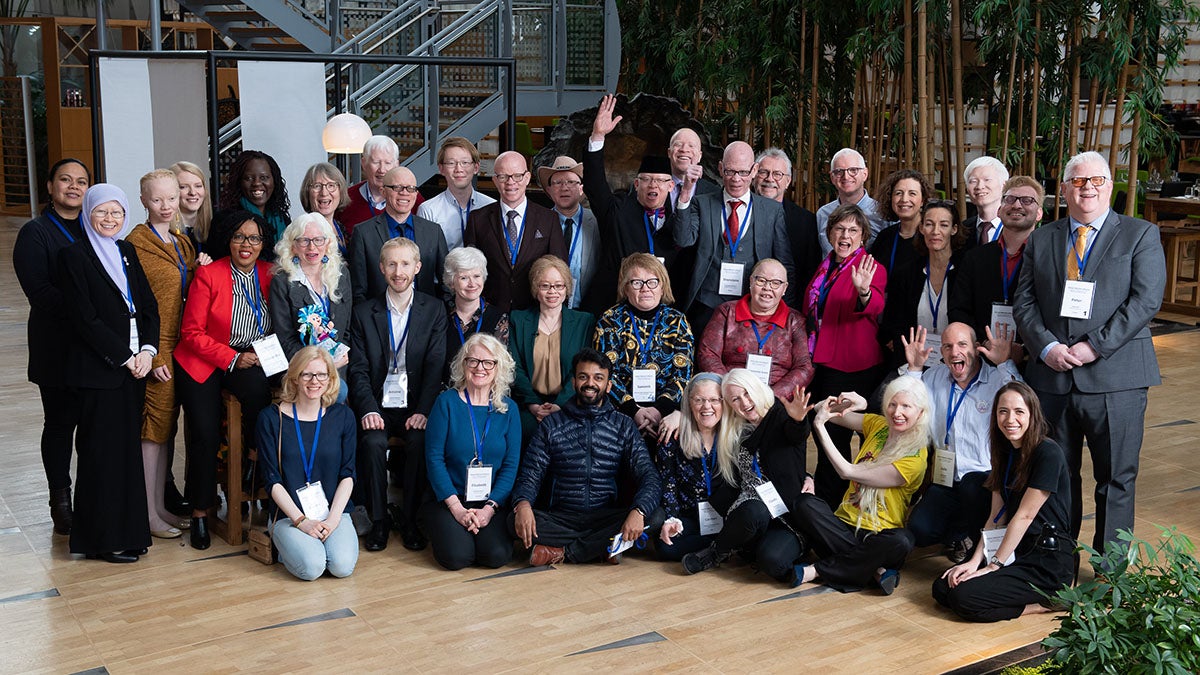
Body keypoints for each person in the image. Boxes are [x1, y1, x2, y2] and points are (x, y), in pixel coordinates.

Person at [1012, 150, 1166, 554]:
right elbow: (1024, 302)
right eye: (1078, 181)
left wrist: (1093, 346)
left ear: (1109, 187)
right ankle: (1058, 560)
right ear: (1064, 189)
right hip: (1052, 378)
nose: (1087, 189)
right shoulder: (1042, 238)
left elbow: (1145, 301)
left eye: (1096, 180)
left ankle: (1110, 572)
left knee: (1115, 478)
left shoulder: (1140, 234)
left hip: (1116, 378)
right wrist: (1046, 347)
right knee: (1055, 477)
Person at [59, 184, 159, 563]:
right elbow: (84, 319)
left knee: (126, 456)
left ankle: (130, 535)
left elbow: (147, 306)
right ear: (88, 213)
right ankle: (101, 540)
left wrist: (148, 350)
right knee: (100, 456)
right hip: (100, 371)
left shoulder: (126, 251)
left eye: (116, 212)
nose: (110, 219)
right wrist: (123, 356)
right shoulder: (73, 256)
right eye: (101, 211)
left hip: (135, 368)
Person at [175, 209, 277, 550]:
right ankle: (201, 512)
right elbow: (191, 333)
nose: (246, 244)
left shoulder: (271, 274)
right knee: (204, 432)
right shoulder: (209, 274)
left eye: (254, 238)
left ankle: (253, 464)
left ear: (263, 243)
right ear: (228, 240)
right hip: (205, 359)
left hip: (251, 356)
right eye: (239, 237)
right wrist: (232, 358)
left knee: (261, 395)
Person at [933, 381, 1074, 621]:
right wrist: (975, 561)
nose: (1010, 419)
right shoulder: (1005, 450)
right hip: (1015, 549)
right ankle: (998, 579)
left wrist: (993, 566)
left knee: (963, 598)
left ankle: (1044, 603)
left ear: (1032, 415)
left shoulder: (1047, 453)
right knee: (943, 586)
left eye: (1019, 412)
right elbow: (996, 516)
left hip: (1045, 560)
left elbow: (1024, 516)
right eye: (1003, 411)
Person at [509, 348, 662, 565]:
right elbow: (530, 474)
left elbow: (649, 476)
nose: (590, 383)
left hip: (604, 517)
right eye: (583, 377)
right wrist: (523, 505)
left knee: (654, 516)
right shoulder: (552, 425)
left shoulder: (623, 425)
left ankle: (563, 553)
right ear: (573, 382)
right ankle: (601, 548)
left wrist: (639, 510)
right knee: (512, 520)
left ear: (608, 385)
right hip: (561, 518)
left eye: (598, 378)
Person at [347, 238, 447, 552]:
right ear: (381, 268)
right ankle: (379, 520)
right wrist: (367, 408)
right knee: (372, 443)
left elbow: (435, 366)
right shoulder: (364, 312)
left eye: (405, 264)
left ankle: (411, 520)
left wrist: (424, 410)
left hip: (415, 404)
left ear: (418, 268)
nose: (398, 271)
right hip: (378, 403)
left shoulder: (434, 309)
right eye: (391, 264)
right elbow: (358, 369)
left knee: (420, 442)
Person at [791, 378, 931, 593]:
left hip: (879, 535)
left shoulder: (916, 457)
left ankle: (818, 571)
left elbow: (847, 471)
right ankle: (874, 570)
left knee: (902, 540)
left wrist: (819, 427)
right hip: (842, 526)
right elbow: (819, 408)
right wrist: (854, 404)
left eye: (906, 406)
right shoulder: (878, 424)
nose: (897, 412)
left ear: (920, 412)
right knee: (804, 504)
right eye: (893, 404)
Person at [14, 158, 91, 534]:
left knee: (92, 427)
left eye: (81, 181)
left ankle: (93, 499)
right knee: (60, 425)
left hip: (95, 349)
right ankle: (60, 502)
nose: (73, 187)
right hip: (56, 347)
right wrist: (91, 311)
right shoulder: (35, 233)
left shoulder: (96, 227)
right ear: (50, 186)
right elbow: (40, 292)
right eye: (65, 180)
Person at [901, 323, 1021, 561]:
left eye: (962, 344)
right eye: (947, 346)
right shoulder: (933, 377)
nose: (954, 351)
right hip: (947, 479)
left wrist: (1004, 364)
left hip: (986, 481)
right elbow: (905, 405)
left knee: (971, 488)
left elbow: (1024, 402)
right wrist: (914, 369)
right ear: (941, 352)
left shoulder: (996, 379)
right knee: (920, 530)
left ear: (976, 348)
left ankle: (975, 538)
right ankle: (959, 533)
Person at [680, 370, 811, 582]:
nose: (744, 402)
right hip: (750, 510)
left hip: (785, 516)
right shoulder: (735, 429)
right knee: (753, 510)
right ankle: (715, 553)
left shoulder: (782, 416)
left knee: (773, 561)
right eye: (735, 399)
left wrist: (798, 420)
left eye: (747, 393)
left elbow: (796, 435)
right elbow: (703, 414)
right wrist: (676, 415)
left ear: (757, 389)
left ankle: (755, 547)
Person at [126, 169, 197, 539]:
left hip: (185, 348)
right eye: (157, 199)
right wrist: (151, 354)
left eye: (172, 197)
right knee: (152, 430)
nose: (166, 206)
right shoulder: (135, 244)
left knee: (167, 429)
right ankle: (147, 513)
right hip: (158, 349)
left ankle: (160, 506)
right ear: (143, 201)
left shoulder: (181, 243)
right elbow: (134, 306)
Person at [801, 203, 887, 507]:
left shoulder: (869, 267)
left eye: (853, 230)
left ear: (863, 236)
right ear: (829, 233)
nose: (845, 235)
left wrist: (863, 291)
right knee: (829, 435)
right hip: (825, 362)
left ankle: (864, 502)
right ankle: (828, 502)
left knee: (862, 439)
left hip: (856, 365)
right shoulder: (825, 266)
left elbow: (875, 305)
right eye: (839, 229)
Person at [421, 334, 522, 570]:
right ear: (463, 364)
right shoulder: (446, 403)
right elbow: (434, 459)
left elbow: (511, 465)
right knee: (457, 557)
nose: (480, 368)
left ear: (498, 367)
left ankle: (478, 525)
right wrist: (457, 509)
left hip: (491, 501)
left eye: (488, 362)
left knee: (495, 556)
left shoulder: (509, 409)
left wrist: (489, 509)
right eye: (473, 361)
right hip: (450, 498)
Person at [257, 347, 358, 581]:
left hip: (333, 511)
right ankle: (288, 546)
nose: (315, 381)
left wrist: (333, 520)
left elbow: (348, 474)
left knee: (342, 567)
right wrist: (301, 522)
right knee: (312, 568)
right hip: (289, 515)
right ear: (295, 377)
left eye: (321, 374)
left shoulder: (343, 416)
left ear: (330, 378)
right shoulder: (271, 418)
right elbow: (272, 480)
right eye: (307, 374)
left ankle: (306, 547)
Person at [674, 140, 796, 333]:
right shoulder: (702, 204)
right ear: (720, 169)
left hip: (752, 306)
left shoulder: (772, 211)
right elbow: (683, 239)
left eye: (743, 172)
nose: (736, 179)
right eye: (730, 171)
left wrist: (783, 314)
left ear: (754, 170)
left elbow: (784, 263)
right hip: (705, 304)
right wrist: (685, 193)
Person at [583, 95, 687, 313]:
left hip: (661, 310)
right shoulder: (618, 210)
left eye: (660, 181)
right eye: (647, 180)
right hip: (613, 305)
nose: (653, 186)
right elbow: (595, 186)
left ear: (671, 186)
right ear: (637, 184)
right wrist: (598, 136)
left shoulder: (679, 218)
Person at [593, 253, 694, 440]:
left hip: (667, 414)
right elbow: (604, 372)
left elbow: (683, 374)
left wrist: (659, 410)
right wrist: (633, 410)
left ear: (662, 286)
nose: (645, 288)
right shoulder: (610, 320)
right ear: (626, 288)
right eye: (637, 282)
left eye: (652, 282)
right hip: (619, 411)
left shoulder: (677, 321)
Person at [464, 150, 568, 312]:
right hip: (491, 311)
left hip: (534, 311)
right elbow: (469, 269)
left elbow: (560, 269)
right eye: (503, 176)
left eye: (517, 176)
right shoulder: (477, 219)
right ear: (495, 180)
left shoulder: (549, 219)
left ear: (527, 178)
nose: (510, 182)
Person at [697, 258, 813, 401]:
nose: (767, 287)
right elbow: (708, 354)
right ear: (751, 281)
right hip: (731, 397)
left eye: (776, 283)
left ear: (784, 288)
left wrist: (770, 398)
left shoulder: (795, 320)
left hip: (775, 400)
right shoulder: (727, 311)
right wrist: (733, 391)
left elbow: (804, 367)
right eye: (761, 280)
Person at [950, 176, 1045, 349]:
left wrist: (1024, 349)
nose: (1017, 205)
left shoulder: (1048, 258)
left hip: (1033, 356)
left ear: (1039, 213)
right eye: (1010, 199)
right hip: (982, 352)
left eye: (1027, 200)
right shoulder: (975, 258)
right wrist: (984, 342)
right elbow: (959, 309)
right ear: (1000, 210)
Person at [508, 255, 595, 439]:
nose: (552, 292)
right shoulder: (518, 320)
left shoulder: (584, 321)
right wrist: (533, 405)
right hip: (528, 406)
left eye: (559, 285)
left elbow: (583, 370)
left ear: (567, 288)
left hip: (570, 404)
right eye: (545, 286)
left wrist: (560, 405)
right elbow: (515, 367)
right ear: (535, 288)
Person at [269, 213, 352, 400]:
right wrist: (319, 367)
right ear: (293, 246)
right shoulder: (282, 281)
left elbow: (346, 330)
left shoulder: (341, 275)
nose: (312, 247)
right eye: (304, 240)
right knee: (338, 393)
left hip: (338, 365)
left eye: (318, 240)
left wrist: (336, 359)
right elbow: (285, 339)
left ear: (328, 243)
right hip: (300, 368)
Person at [880, 200, 967, 359]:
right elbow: (893, 323)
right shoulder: (906, 274)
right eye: (929, 224)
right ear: (921, 228)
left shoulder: (966, 273)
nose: (935, 231)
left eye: (943, 225)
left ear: (954, 229)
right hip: (915, 359)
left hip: (957, 359)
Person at [654, 373, 728, 560]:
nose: (707, 407)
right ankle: (723, 548)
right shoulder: (673, 435)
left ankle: (718, 547)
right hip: (689, 516)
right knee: (666, 546)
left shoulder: (732, 434)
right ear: (689, 403)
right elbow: (668, 484)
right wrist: (672, 519)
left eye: (714, 400)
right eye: (699, 400)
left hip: (727, 516)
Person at [348, 165, 447, 304]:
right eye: (397, 187)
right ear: (383, 191)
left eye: (410, 188)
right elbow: (358, 290)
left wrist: (442, 313)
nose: (404, 193)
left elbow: (446, 283)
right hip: (379, 314)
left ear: (416, 193)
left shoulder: (433, 231)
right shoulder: (363, 233)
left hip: (426, 314)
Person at [753, 147, 822, 286]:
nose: (769, 178)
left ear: (788, 181)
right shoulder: (739, 212)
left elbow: (810, 271)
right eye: (763, 172)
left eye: (777, 174)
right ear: (754, 175)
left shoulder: (806, 222)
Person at [537, 155, 599, 309]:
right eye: (558, 182)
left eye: (571, 182)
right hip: (546, 309)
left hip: (587, 309)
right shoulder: (538, 223)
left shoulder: (597, 223)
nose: (564, 188)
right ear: (549, 190)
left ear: (581, 188)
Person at [442, 246, 510, 381]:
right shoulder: (439, 315)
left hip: (485, 389)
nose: (472, 284)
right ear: (451, 282)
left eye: (477, 276)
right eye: (464, 278)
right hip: (446, 390)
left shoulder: (499, 318)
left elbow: (501, 367)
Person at [417, 136, 496, 250]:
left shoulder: (491, 206)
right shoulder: (428, 210)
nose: (458, 169)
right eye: (451, 163)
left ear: (476, 167)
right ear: (441, 168)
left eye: (465, 162)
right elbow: (426, 254)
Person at [815, 148, 885, 257]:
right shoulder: (823, 214)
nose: (846, 176)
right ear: (832, 177)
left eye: (853, 170)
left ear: (865, 174)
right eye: (839, 171)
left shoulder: (882, 213)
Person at [215, 149, 290, 243]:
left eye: (264, 177)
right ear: (239, 182)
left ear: (274, 181)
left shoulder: (282, 219)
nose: (257, 183)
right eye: (249, 178)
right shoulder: (225, 220)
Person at [869, 169, 935, 275]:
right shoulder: (885, 237)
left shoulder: (933, 237)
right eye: (898, 193)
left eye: (912, 193)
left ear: (923, 200)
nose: (904, 199)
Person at [339, 135, 400, 234]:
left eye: (388, 163)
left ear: (396, 165)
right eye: (376, 162)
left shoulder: (409, 198)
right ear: (364, 163)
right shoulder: (346, 199)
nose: (382, 170)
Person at [298, 162, 350, 257]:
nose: (324, 193)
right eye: (317, 186)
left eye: (331, 185)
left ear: (340, 191)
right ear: (307, 192)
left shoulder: (339, 227)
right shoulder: (304, 230)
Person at [961, 157, 1010, 248]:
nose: (980, 186)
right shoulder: (963, 229)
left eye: (987, 180)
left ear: (1004, 185)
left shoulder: (1015, 227)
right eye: (973, 181)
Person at [170, 160, 213, 261]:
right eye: (183, 187)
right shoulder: (164, 234)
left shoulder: (214, 228)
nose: (193, 192)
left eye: (198, 186)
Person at [667, 125, 720, 207]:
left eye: (691, 146)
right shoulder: (655, 187)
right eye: (678, 144)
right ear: (669, 153)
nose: (684, 149)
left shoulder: (713, 193)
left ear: (700, 156)